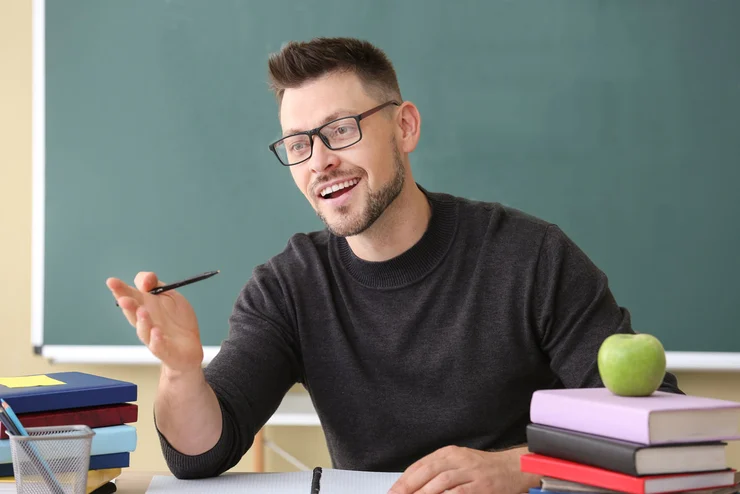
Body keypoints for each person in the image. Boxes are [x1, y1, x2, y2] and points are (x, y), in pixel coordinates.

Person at [106, 37, 682, 494]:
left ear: (404, 127)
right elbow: (200, 454)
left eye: (339, 130)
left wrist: (523, 469)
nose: (321, 162)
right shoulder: (289, 286)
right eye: (298, 144)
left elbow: (658, 426)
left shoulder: (530, 256)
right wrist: (182, 371)